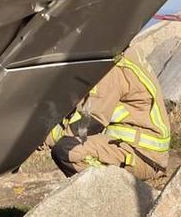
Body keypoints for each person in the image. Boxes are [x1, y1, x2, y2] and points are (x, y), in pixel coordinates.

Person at [46, 53, 172, 182]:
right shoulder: (117, 53)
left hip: (143, 156)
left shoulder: (110, 67)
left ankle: (111, 196)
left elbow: (89, 123)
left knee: (68, 151)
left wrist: (39, 138)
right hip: (131, 148)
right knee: (67, 146)